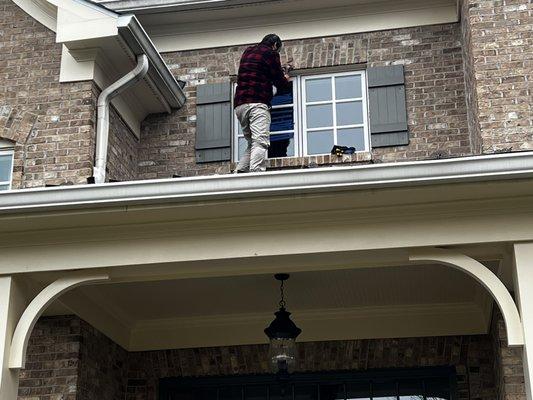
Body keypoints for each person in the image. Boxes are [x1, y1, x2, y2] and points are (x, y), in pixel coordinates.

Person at [234, 34, 292, 173]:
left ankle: (240, 171)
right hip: (257, 104)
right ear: (275, 45)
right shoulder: (271, 53)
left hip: (240, 105)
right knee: (261, 141)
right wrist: (286, 79)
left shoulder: (248, 51)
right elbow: (279, 81)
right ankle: (256, 172)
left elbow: (259, 71)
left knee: (252, 143)